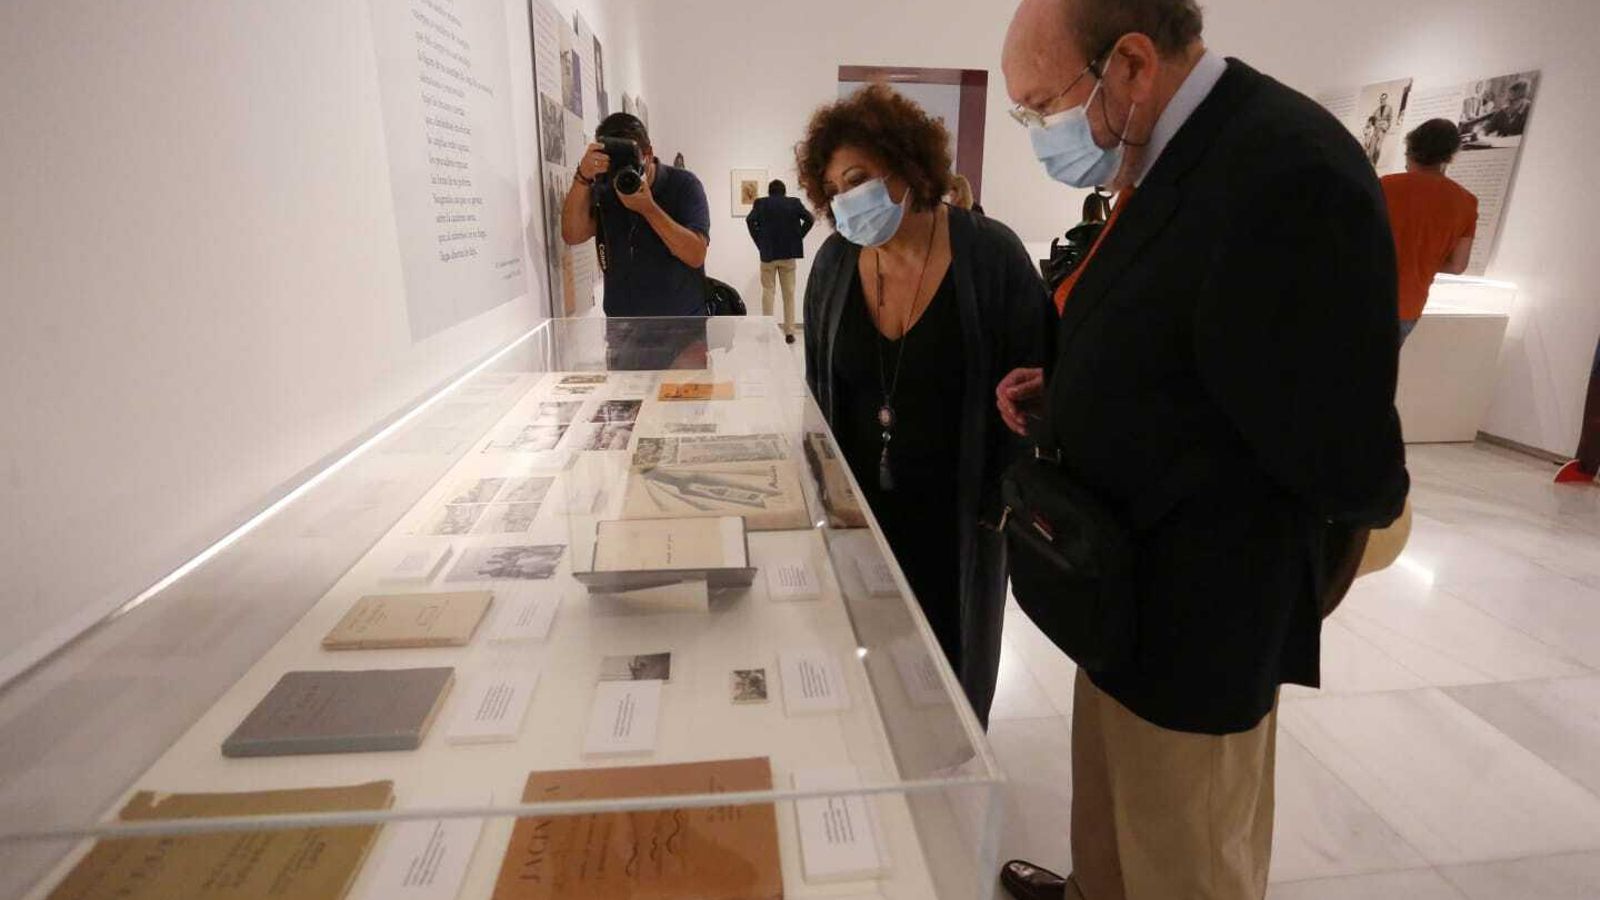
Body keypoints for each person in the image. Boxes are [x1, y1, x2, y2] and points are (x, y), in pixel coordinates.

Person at [994, 1, 1408, 898]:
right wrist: (1065, 395)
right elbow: (1179, 336)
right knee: (1109, 817)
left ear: (1133, 65)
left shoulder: (1287, 172)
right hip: (1119, 587)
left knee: (1185, 851)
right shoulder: (1172, 151)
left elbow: (1336, 441)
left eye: (1041, 106)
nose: (1037, 131)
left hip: (1202, 614)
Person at [798, 83, 1052, 726]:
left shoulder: (991, 255)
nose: (845, 201)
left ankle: (954, 802)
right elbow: (818, 393)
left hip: (961, 520)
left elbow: (1041, 382)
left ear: (905, 165)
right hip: (861, 520)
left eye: (856, 177)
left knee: (951, 686)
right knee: (869, 681)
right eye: (833, 190)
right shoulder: (833, 263)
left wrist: (1011, 492)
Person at [563, 113, 711, 317]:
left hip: (683, 327)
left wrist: (649, 209)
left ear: (648, 153)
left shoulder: (684, 185)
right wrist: (582, 176)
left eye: (630, 158)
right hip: (623, 330)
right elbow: (573, 234)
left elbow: (696, 254)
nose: (622, 168)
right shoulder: (605, 187)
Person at [1381, 119, 1478, 344]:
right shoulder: (1465, 201)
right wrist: (1424, 260)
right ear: (1449, 156)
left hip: (1365, 296)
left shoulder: (1384, 186)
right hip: (1408, 306)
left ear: (1410, 150)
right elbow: (1457, 265)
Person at [745, 179, 815, 343]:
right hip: (788, 255)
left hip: (768, 255)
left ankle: (767, 330)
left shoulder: (761, 203)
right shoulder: (794, 203)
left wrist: (759, 242)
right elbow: (810, 219)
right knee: (789, 294)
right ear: (784, 191)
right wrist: (798, 237)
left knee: (768, 292)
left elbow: (749, 221)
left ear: (770, 191)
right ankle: (789, 332)